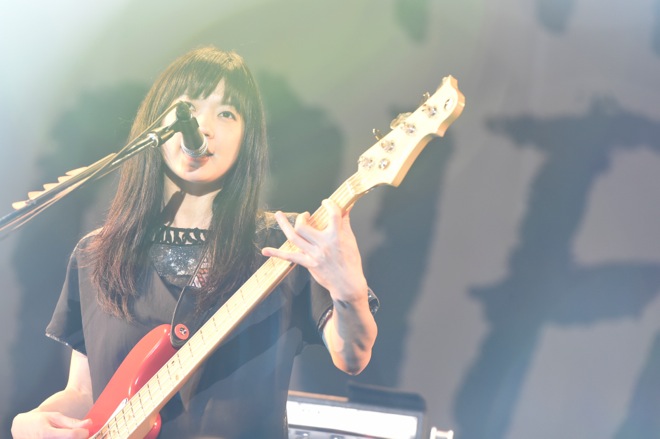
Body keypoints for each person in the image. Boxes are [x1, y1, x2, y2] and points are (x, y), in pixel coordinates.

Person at [11, 46, 378, 439]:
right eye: (188, 107)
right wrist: (28, 423)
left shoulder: (284, 244)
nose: (203, 127)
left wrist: (349, 291)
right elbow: (85, 393)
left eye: (227, 113)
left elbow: (352, 355)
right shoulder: (95, 254)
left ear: (247, 139)